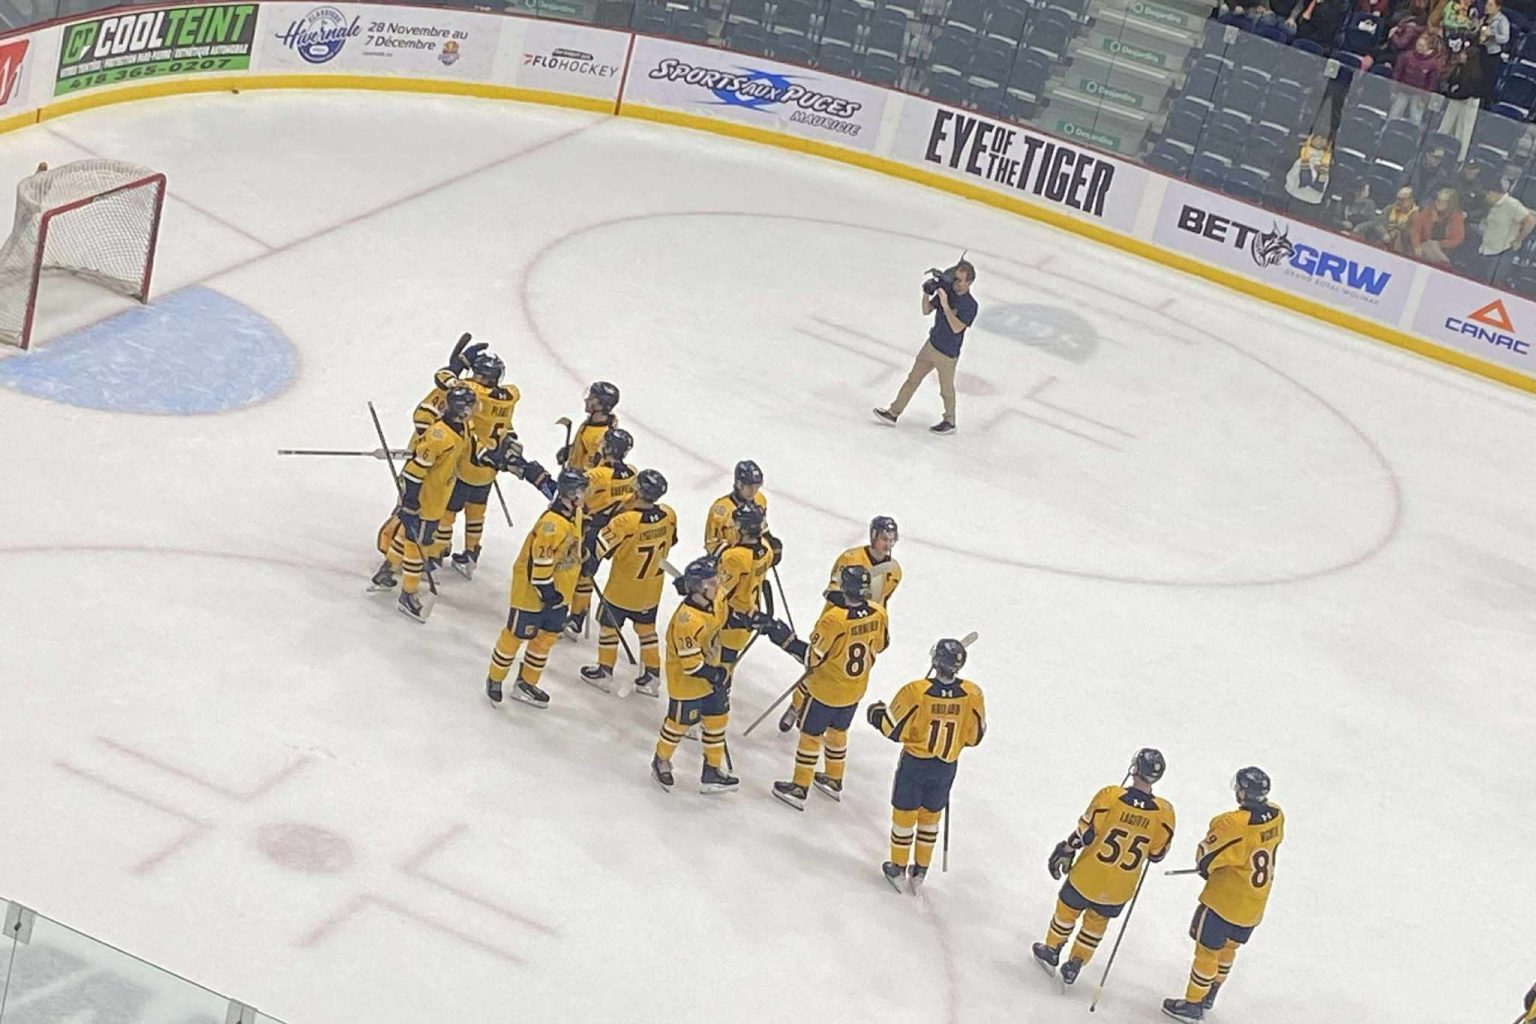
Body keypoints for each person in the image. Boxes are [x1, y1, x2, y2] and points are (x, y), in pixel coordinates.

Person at [1032, 750, 1176, 985]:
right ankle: (1076, 963)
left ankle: (1051, 950)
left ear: (1135, 768)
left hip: (1088, 875)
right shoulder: (1165, 813)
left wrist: (1067, 848)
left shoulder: (1111, 796)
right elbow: (1157, 854)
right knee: (1096, 924)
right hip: (1120, 887)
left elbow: (1086, 833)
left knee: (1067, 911)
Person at [1162, 767, 1285, 1022]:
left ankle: (1193, 1004)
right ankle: (1211, 994)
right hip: (1254, 904)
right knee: (1230, 949)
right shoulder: (1277, 815)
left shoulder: (1232, 823)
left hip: (1224, 902)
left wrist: (1207, 867)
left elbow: (1205, 859)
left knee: (1207, 951)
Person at [762, 564, 889, 810]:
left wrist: (786, 640)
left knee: (810, 736)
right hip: (855, 689)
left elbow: (812, 658)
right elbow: (882, 645)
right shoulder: (879, 613)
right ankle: (833, 778)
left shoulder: (834, 620)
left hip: (825, 691)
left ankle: (799, 787)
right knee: (838, 732)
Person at [865, 638, 986, 894]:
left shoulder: (916, 692)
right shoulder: (973, 694)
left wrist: (876, 713)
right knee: (930, 817)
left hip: (916, 764)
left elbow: (892, 729)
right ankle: (921, 870)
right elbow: (975, 736)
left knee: (904, 815)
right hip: (946, 767)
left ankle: (898, 867)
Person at [779, 515, 902, 733]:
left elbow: (883, 600)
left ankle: (808, 709)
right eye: (884, 538)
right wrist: (855, 609)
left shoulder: (894, 570)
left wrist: (880, 626)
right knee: (817, 670)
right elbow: (832, 592)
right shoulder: (850, 559)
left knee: (839, 674)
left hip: (866, 629)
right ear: (873, 536)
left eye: (892, 539)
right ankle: (796, 705)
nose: (888, 544)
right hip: (837, 627)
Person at [370, 385, 478, 623]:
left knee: (407, 537)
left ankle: (386, 571)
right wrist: (410, 502)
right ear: (461, 409)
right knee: (418, 545)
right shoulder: (438, 436)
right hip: (424, 500)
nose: (475, 409)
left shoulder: (463, 428)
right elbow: (414, 471)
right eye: (471, 405)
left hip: (439, 496)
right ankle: (408, 595)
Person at [484, 468, 589, 709]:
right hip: (533, 594)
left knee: (546, 639)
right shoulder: (551, 525)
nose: (586, 495)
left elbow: (572, 546)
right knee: (515, 635)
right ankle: (495, 678)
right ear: (570, 494)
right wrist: (548, 592)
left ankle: (526, 684)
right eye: (582, 490)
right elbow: (540, 564)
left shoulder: (575, 514)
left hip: (561, 592)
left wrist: (584, 557)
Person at [580, 468, 677, 696]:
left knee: (608, 626)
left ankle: (604, 672)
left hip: (622, 589)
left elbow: (599, 550)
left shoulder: (625, 521)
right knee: (647, 630)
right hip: (651, 588)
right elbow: (672, 540)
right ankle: (652, 676)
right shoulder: (669, 515)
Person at [650, 555, 738, 794]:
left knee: (717, 719)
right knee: (679, 724)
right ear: (699, 588)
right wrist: (717, 674)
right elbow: (692, 666)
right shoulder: (686, 621)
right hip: (687, 683)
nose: (717, 585)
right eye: (712, 582)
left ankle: (712, 771)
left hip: (712, 675)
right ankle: (661, 760)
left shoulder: (714, 599)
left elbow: (727, 602)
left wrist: (751, 620)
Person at [874, 259, 978, 436]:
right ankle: (893, 412)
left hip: (948, 354)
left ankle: (950, 421)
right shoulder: (947, 290)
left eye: (960, 280)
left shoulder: (970, 305)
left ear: (970, 282)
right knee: (912, 379)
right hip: (931, 345)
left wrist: (945, 305)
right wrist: (926, 293)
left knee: (946, 390)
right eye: (955, 278)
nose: (956, 283)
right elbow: (926, 310)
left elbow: (956, 327)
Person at [440, 352, 520, 579]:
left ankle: (437, 552)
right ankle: (471, 555)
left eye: (478, 374)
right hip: (489, 468)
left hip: (466, 465)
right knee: (476, 513)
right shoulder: (510, 396)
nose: (474, 377)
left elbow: (442, 377)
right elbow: (507, 425)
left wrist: (458, 365)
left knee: (448, 511)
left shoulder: (473, 391)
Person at [565, 427, 636, 640]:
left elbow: (573, 493)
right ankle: (577, 615)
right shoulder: (632, 473)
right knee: (587, 573)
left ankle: (573, 618)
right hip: (611, 533)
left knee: (575, 572)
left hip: (588, 529)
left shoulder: (597, 475)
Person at [716, 504, 777, 683]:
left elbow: (718, 591)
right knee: (727, 666)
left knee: (717, 669)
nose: (733, 527)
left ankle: (718, 698)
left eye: (736, 525)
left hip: (729, 619)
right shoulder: (766, 548)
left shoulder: (735, 557)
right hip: (749, 615)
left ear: (744, 529)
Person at [704, 459, 777, 559]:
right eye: (750, 487)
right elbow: (711, 545)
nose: (754, 491)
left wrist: (770, 542)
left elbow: (762, 527)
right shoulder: (720, 510)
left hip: (754, 561)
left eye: (757, 487)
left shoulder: (760, 500)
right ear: (739, 484)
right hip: (729, 564)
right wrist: (739, 554)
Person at [1470, 174, 1536, 281]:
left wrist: (1519, 239)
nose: (1485, 198)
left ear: (1492, 193)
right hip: (1485, 250)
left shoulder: (1511, 204)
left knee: (1491, 284)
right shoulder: (1492, 206)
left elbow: (1530, 221)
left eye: (1486, 195)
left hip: (1501, 254)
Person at [1438, 39, 1484, 160]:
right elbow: (1452, 81)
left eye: (1465, 54)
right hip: (1456, 99)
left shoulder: (1475, 74)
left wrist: (1450, 95)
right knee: (1446, 123)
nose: (1462, 56)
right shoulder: (1460, 68)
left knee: (1463, 130)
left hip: (1468, 104)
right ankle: (1438, 149)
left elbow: (1465, 93)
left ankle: (1459, 157)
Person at [559, 381, 619, 470]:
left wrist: (574, 476)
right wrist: (570, 450)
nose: (586, 400)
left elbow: (592, 469)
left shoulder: (602, 437)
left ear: (602, 404)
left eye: (591, 397)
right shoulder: (591, 421)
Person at [1391, 31, 1447, 122]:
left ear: (1429, 47)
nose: (1418, 47)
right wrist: (1394, 90)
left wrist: (1424, 100)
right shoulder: (1407, 56)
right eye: (1418, 44)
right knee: (1394, 114)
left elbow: (1430, 84)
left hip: (1419, 95)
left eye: (1421, 46)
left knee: (1415, 118)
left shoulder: (1433, 64)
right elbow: (1397, 73)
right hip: (1403, 91)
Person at [1410, 187, 1466, 264]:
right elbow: (1416, 228)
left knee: (1432, 247)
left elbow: (1457, 239)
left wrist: (1439, 244)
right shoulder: (1428, 210)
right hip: (1424, 244)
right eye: (1438, 200)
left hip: (1444, 249)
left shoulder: (1456, 217)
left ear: (1450, 204)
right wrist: (1416, 245)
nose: (1439, 203)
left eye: (1443, 201)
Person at [1360, 186, 1419, 253]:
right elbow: (1378, 222)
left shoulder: (1417, 216)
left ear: (1411, 200)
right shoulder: (1389, 209)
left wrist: (1395, 232)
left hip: (1401, 249)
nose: (1398, 202)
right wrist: (1384, 233)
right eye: (1397, 199)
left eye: (1402, 200)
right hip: (1382, 240)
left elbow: (1412, 235)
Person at [1283, 134, 1331, 206]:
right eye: (1319, 137)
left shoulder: (1328, 160)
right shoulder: (1299, 151)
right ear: (1311, 139)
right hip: (1291, 195)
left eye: (1323, 138)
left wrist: (1321, 172)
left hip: (1313, 202)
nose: (1321, 141)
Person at [1479, 0, 1510, 100]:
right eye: (1486, 4)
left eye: (1491, 5)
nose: (1487, 7)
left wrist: (1492, 35)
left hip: (1492, 54)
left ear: (1498, 7)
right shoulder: (1484, 18)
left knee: (1486, 80)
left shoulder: (1502, 21)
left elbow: (1505, 38)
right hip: (1480, 50)